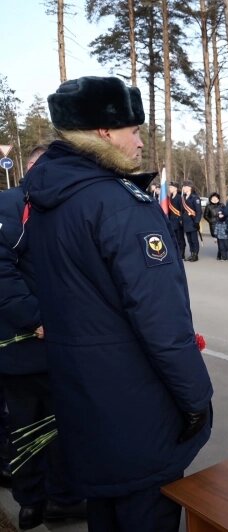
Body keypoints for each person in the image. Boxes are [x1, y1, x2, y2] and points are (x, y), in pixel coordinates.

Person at [22, 76, 212, 531]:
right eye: (134, 130)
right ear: (104, 132)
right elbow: (161, 322)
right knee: (146, 512)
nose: (141, 142)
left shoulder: (46, 200)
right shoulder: (119, 204)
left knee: (106, 513)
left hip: (83, 400)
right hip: (136, 407)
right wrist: (195, 398)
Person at [0, 147, 86, 529]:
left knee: (61, 428)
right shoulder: (12, 204)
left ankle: (60, 499)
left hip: (57, 346)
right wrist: (35, 320)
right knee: (25, 428)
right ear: (34, 168)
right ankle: (32, 501)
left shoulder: (56, 207)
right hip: (24, 343)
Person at [181, 181, 202, 262]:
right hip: (186, 222)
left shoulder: (195, 197)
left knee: (194, 240)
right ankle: (192, 253)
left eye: (185, 186)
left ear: (190, 187)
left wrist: (197, 222)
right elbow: (183, 211)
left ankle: (195, 255)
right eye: (183, 186)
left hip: (192, 222)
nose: (184, 188)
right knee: (189, 240)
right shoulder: (184, 197)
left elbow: (199, 211)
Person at [203, 193, 223, 260]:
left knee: (221, 239)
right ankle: (220, 253)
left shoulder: (222, 205)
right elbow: (205, 215)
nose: (214, 200)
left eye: (216, 198)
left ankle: (221, 252)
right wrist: (210, 221)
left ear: (218, 199)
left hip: (222, 224)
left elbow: (225, 212)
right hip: (213, 224)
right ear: (210, 199)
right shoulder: (208, 206)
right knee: (218, 239)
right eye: (213, 198)